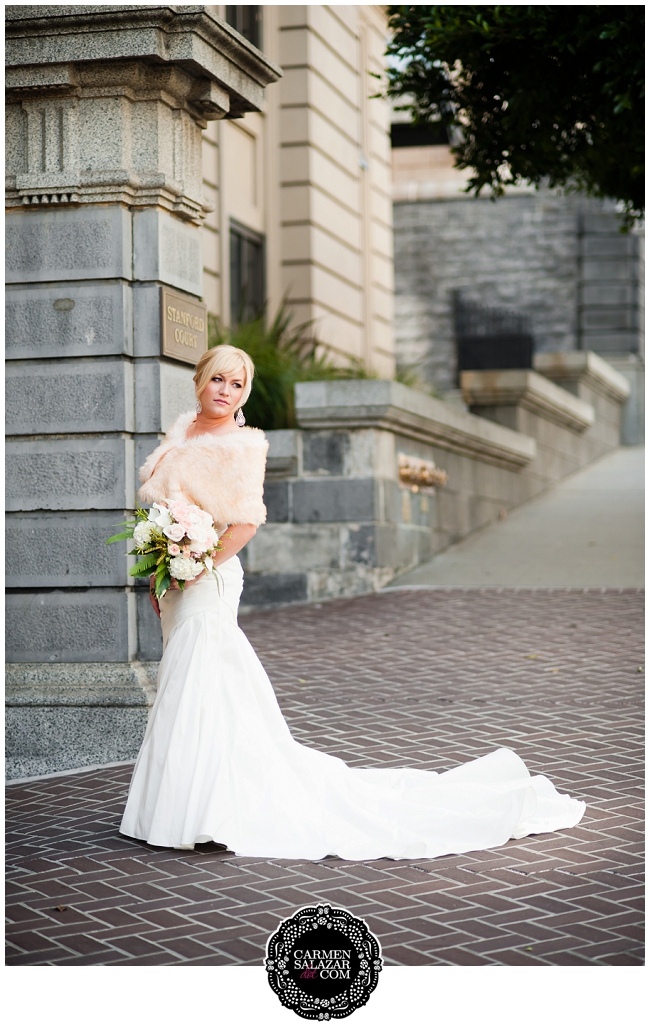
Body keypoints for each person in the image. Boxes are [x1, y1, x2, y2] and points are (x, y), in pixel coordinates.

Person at [120, 345, 586, 860]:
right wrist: (160, 574)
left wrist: (196, 566)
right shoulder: (181, 431)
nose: (225, 392)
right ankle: (178, 801)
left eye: (236, 384)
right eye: (218, 381)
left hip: (211, 576)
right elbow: (161, 515)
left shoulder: (243, 446)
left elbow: (247, 521)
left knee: (204, 676)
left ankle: (207, 809)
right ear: (200, 381)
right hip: (176, 577)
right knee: (187, 680)